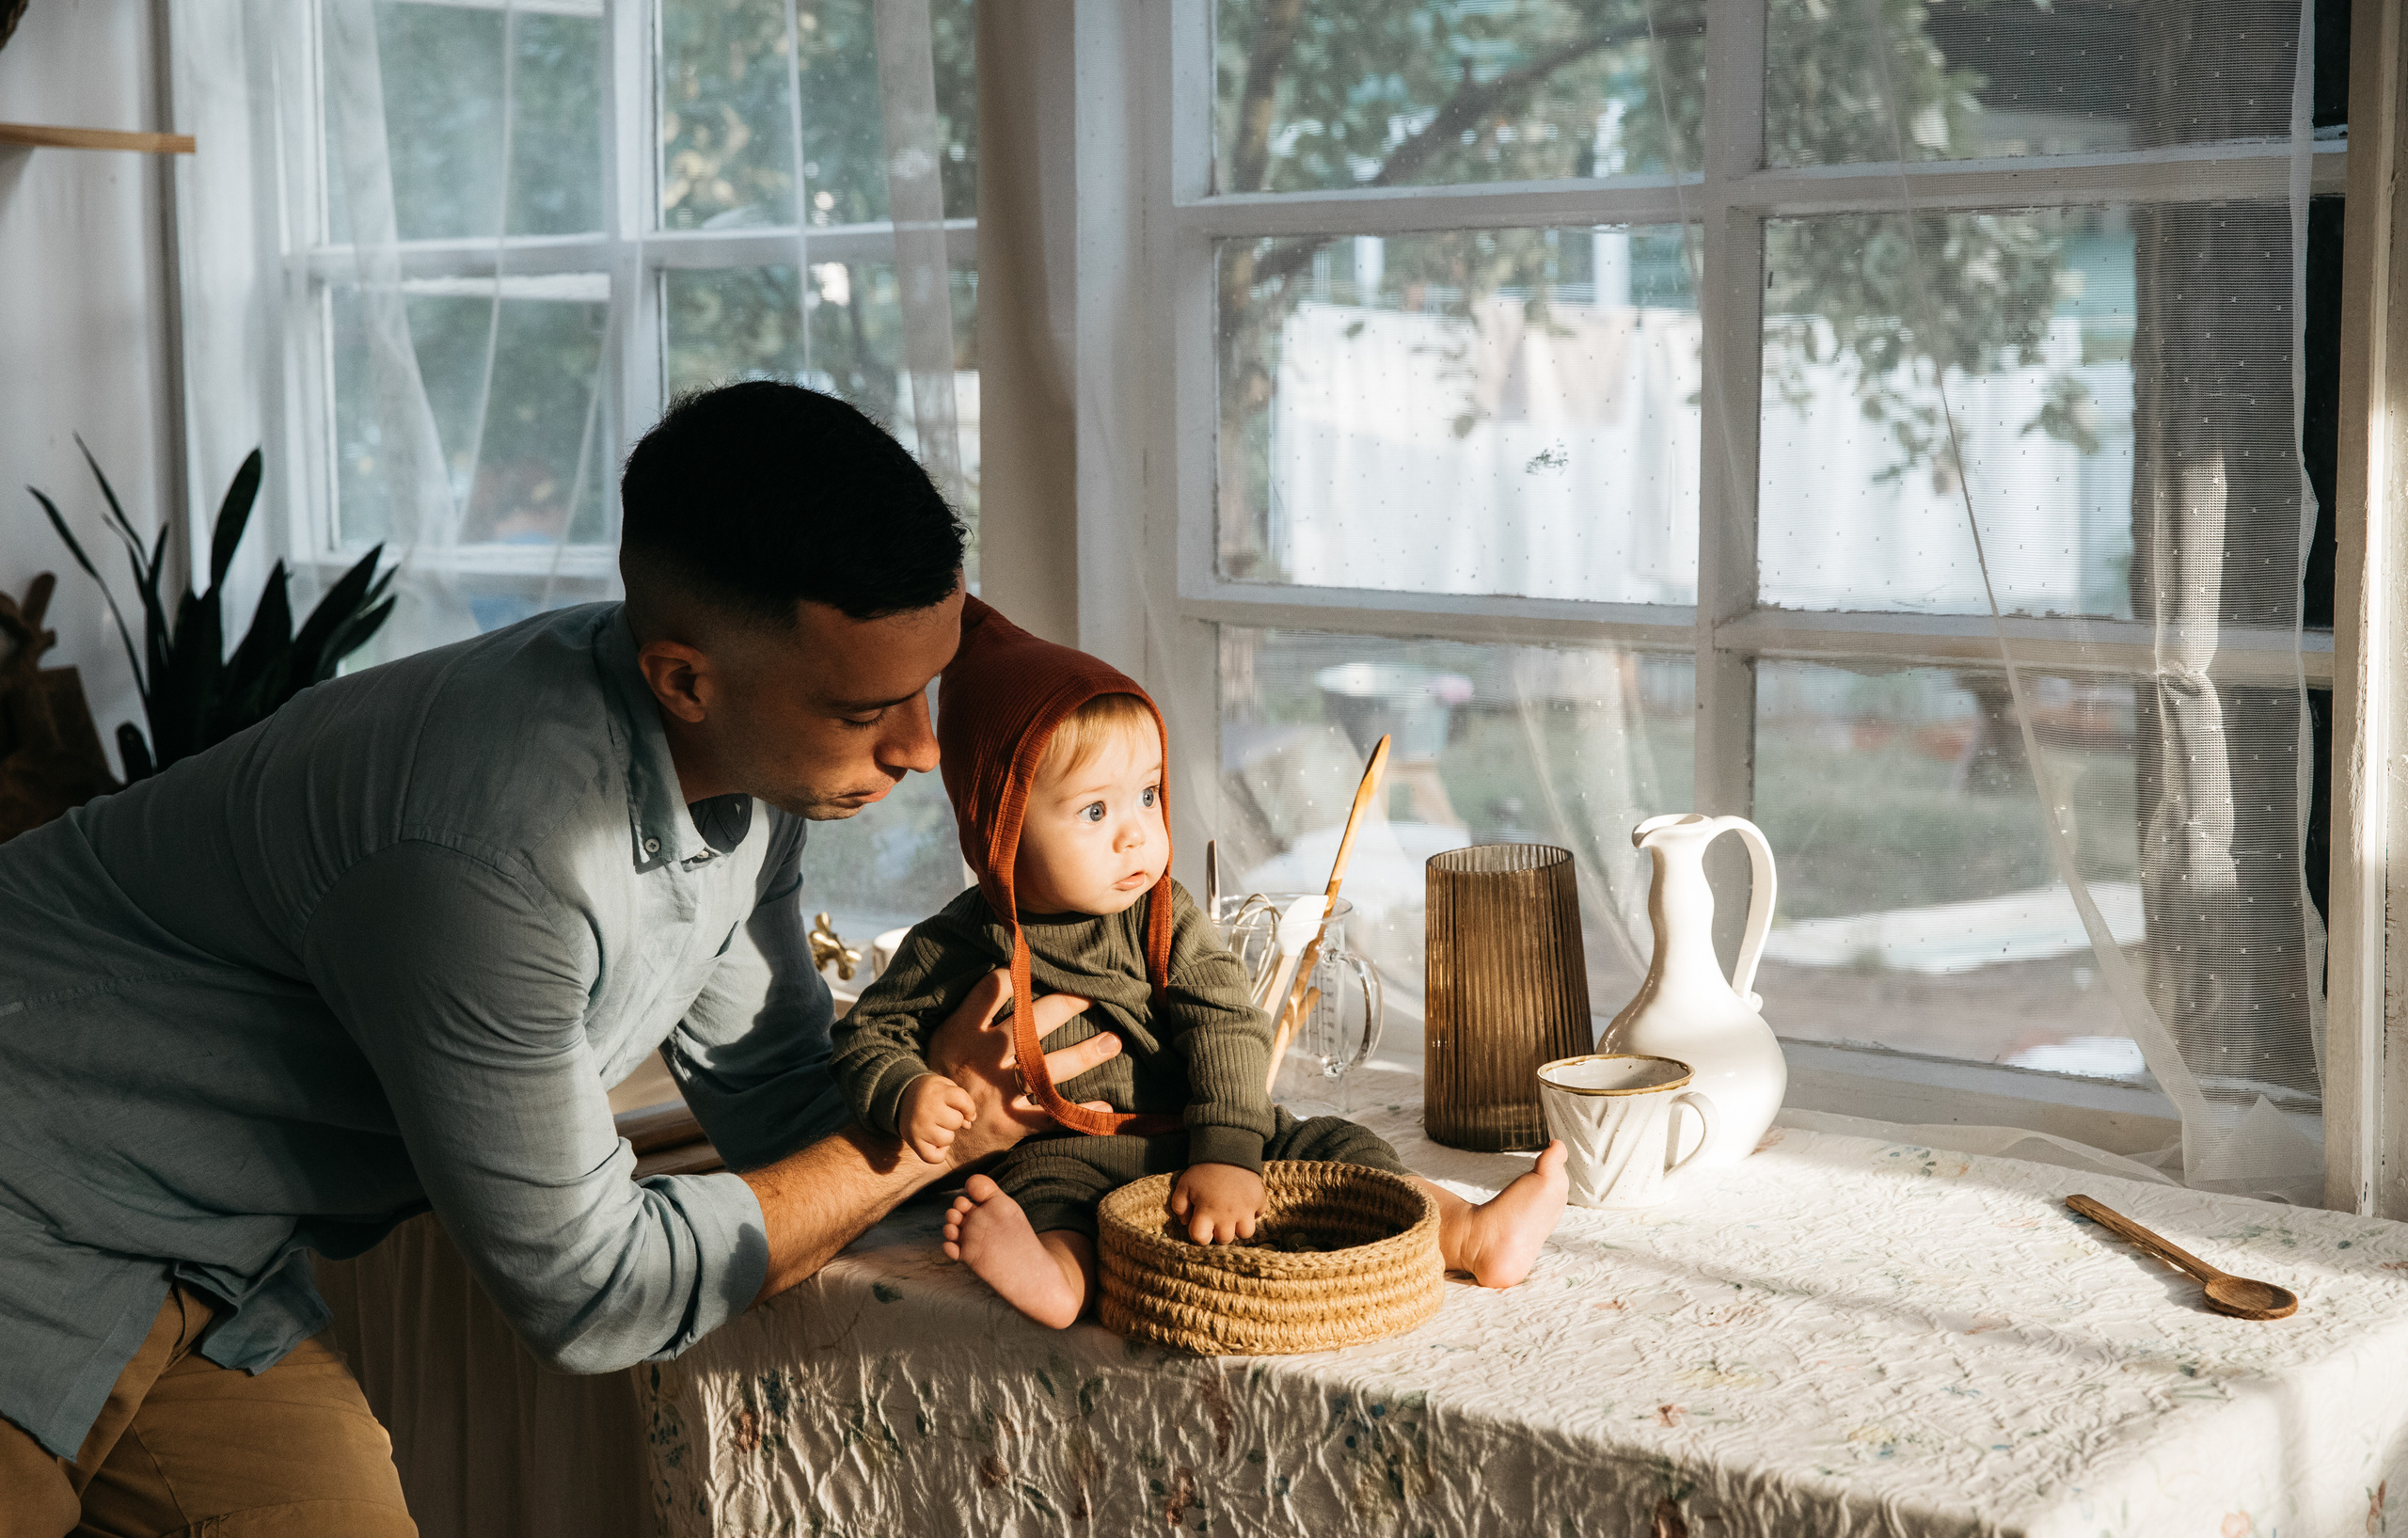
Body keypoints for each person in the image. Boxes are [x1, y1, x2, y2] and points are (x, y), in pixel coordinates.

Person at [0, 383, 1125, 1538]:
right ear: (684, 679)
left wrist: (1086, 1146)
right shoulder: (487, 854)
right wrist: (940, 1131)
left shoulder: (750, 773)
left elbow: (783, 1110)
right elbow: (596, 1295)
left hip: (205, 1267)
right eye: (864, 711)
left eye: (925, 689)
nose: (922, 748)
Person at [832, 597, 1569, 1329]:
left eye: (1148, 795)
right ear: (1002, 826)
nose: (1135, 835)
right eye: (1095, 811)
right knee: (1039, 1191)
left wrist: (1227, 1150)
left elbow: (1225, 1023)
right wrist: (906, 1090)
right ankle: (1058, 1277)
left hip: (1195, 1121)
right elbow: (868, 1034)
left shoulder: (1163, 912)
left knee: (1333, 1149)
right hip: (1063, 1148)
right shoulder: (956, 942)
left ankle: (1467, 1232)